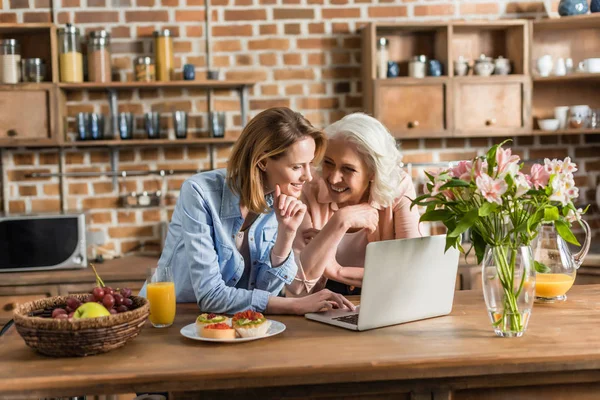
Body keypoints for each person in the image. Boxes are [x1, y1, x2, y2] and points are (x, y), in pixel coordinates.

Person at [141, 107, 355, 314]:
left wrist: (286, 233)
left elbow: (264, 292)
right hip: (172, 318)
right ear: (262, 162)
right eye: (297, 167)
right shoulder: (199, 192)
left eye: (309, 164)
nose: (308, 176)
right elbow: (210, 295)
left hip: (234, 321)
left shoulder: (279, 200)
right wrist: (295, 305)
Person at [286, 112, 421, 297]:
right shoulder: (308, 190)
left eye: (348, 169)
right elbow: (297, 284)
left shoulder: (398, 187)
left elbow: (413, 272)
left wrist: (337, 272)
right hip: (322, 306)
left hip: (384, 302)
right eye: (328, 163)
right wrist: (341, 221)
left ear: (373, 172)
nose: (333, 178)